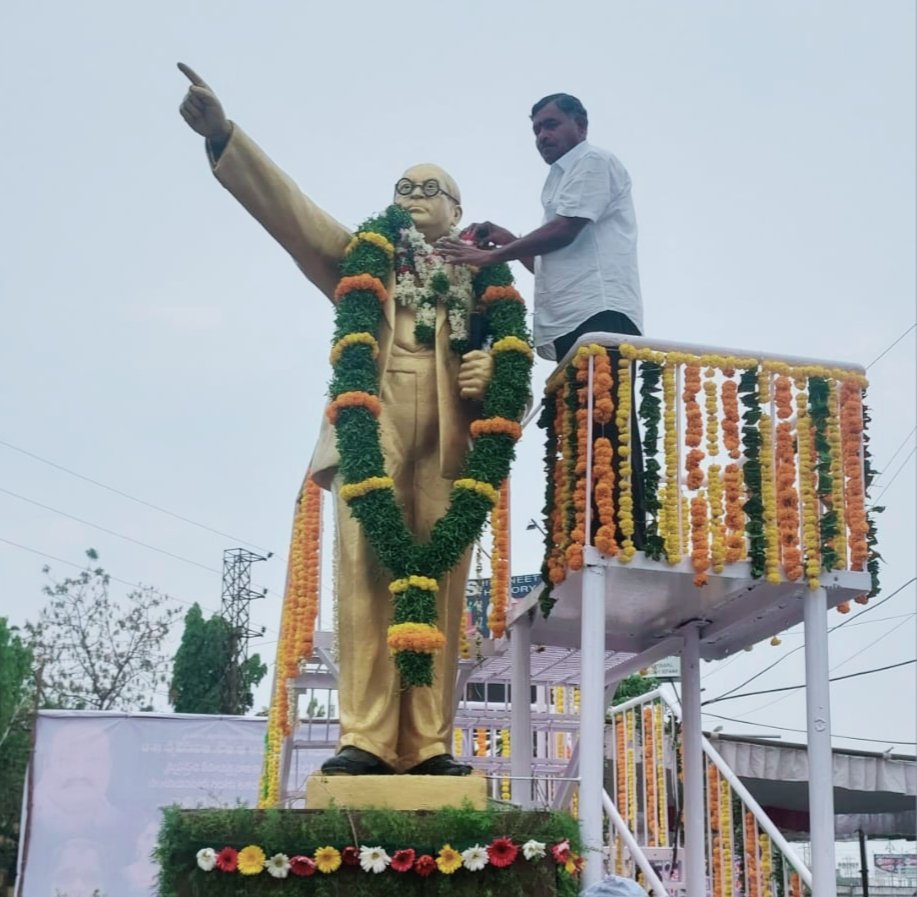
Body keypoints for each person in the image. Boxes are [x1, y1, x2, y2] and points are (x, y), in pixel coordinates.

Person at [178, 64, 495, 776]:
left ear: (456, 210)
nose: (413, 199)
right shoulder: (364, 260)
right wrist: (225, 137)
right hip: (371, 425)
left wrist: (486, 373)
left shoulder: (484, 280)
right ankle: (368, 737)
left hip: (451, 443)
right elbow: (294, 217)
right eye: (403, 188)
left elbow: (510, 374)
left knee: (440, 582)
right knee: (365, 577)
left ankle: (429, 743)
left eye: (429, 189)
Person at [440, 93, 646, 547]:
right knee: (582, 429)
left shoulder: (592, 162)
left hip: (602, 312)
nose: (542, 136)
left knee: (607, 424)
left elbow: (565, 231)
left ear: (581, 125)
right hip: (570, 320)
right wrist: (508, 242)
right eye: (536, 130)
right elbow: (554, 266)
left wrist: (486, 256)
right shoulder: (558, 181)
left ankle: (624, 535)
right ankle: (594, 531)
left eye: (551, 125)